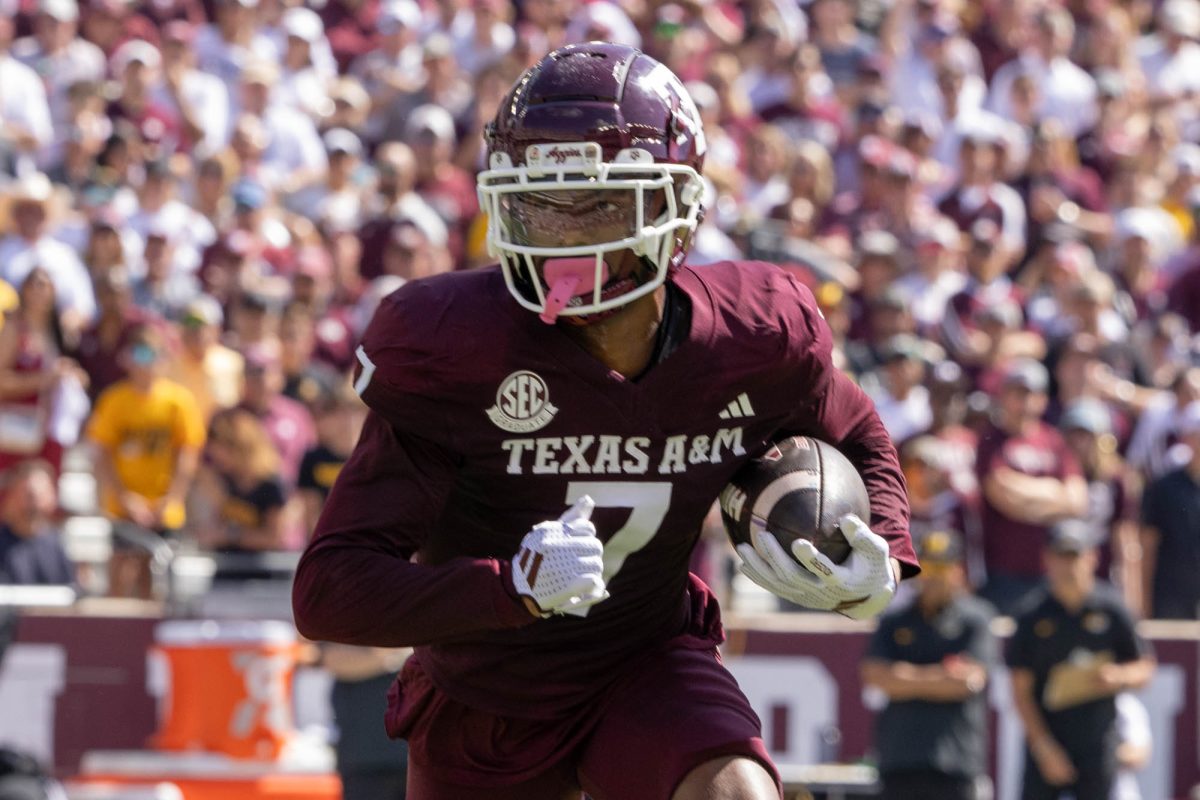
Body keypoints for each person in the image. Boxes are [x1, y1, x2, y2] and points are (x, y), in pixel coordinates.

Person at [293, 43, 915, 800]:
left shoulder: (754, 337)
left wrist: (881, 543)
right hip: (486, 691)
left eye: (597, 203)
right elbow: (330, 589)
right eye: (540, 204)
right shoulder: (454, 349)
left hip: (646, 659)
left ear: (676, 206)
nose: (563, 233)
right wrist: (511, 585)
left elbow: (854, 425)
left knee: (736, 793)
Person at [1007, 519, 1156, 800]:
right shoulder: (1031, 615)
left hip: (1097, 742)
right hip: (1048, 739)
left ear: (1092, 557)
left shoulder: (1112, 609)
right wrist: (1044, 748)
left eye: (1074, 556)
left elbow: (1145, 667)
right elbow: (1020, 691)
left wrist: (1118, 676)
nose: (1068, 566)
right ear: (1047, 559)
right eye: (1061, 556)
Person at [861, 530, 995, 800]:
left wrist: (903, 677)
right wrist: (941, 677)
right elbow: (874, 676)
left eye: (942, 567)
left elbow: (968, 681)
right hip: (899, 760)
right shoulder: (894, 620)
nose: (934, 576)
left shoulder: (975, 619)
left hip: (954, 762)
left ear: (958, 570)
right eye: (929, 567)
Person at [86, 325, 206, 598]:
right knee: (120, 573)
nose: (146, 363)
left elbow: (187, 454)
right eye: (140, 354)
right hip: (123, 506)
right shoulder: (114, 400)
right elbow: (102, 454)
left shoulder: (178, 401)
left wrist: (172, 498)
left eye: (153, 354)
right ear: (127, 358)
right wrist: (125, 497)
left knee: (158, 582)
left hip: (164, 506)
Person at [1139, 400, 1200, 619]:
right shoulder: (1164, 487)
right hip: (1171, 597)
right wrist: (1143, 601)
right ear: (1187, 438)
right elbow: (1147, 545)